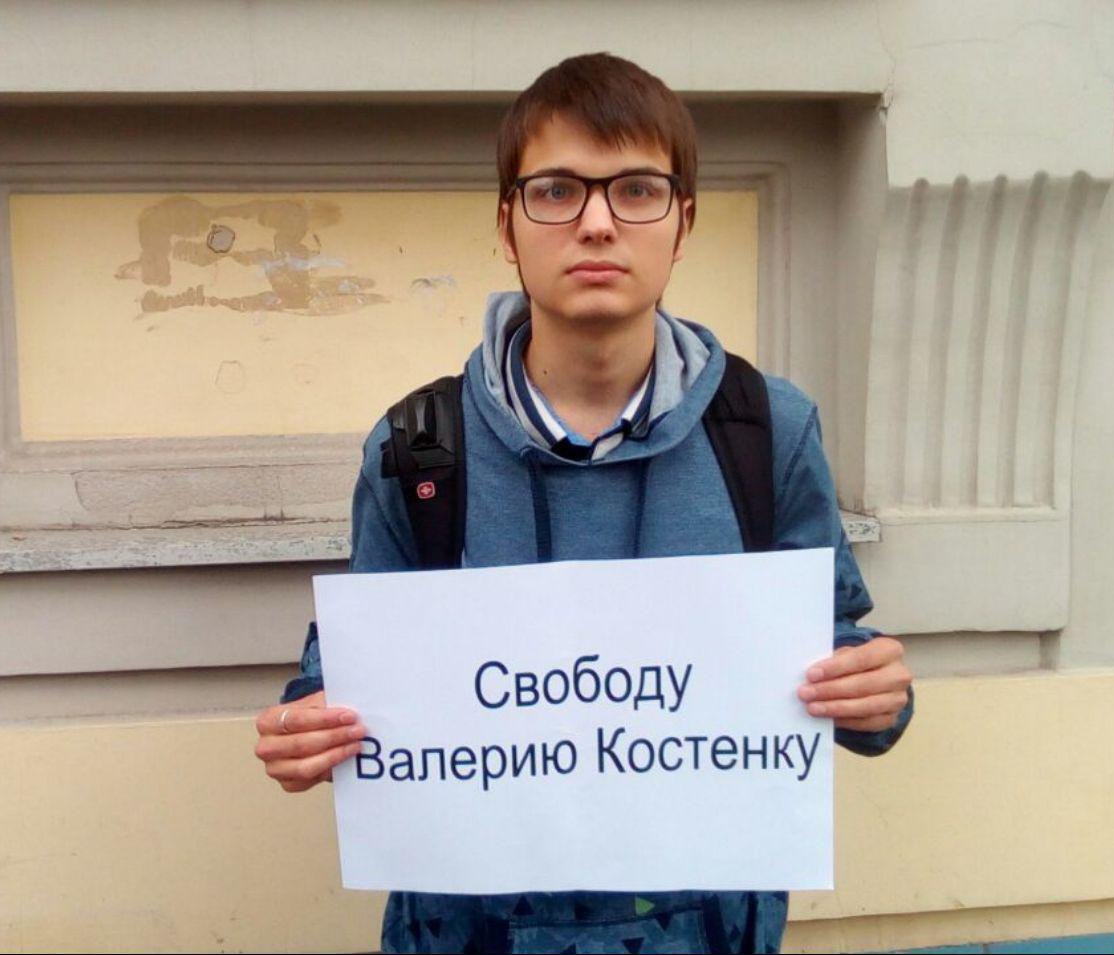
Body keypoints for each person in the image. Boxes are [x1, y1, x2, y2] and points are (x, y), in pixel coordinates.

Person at [254, 51, 913, 955]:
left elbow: (833, 649)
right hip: (467, 931)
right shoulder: (419, 449)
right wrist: (306, 724)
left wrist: (876, 696)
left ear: (682, 223)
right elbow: (346, 674)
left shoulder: (766, 429)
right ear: (508, 224)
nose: (597, 223)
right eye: (557, 191)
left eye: (636, 190)